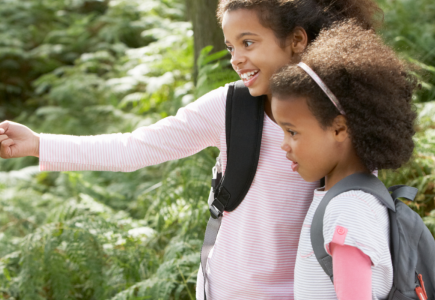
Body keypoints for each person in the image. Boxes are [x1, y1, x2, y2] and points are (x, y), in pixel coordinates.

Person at [0, 0, 382, 298]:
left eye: (249, 42)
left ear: (296, 41)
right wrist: (39, 144)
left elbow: (354, 217)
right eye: (231, 46)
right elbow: (137, 148)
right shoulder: (229, 107)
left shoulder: (341, 122)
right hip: (225, 292)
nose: (236, 59)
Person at [270, 20, 417, 300]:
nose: (284, 145)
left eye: (292, 132)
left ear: (339, 128)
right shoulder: (347, 199)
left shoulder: (349, 209)